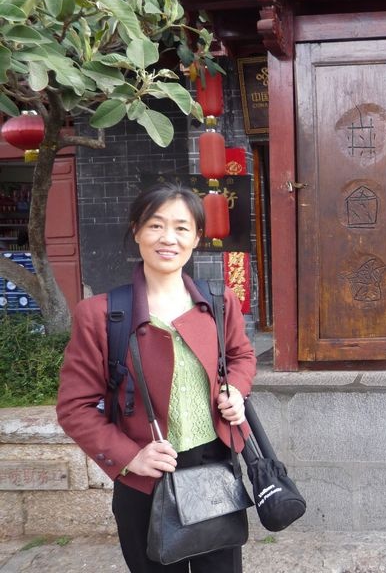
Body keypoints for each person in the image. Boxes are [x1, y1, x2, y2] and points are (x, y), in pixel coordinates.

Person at [56, 182, 256, 573]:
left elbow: (241, 356)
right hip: (146, 479)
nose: (168, 238)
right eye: (156, 225)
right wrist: (130, 457)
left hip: (214, 471)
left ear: (197, 238)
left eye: (182, 228)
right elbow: (74, 407)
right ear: (137, 231)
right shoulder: (101, 314)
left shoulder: (218, 302)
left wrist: (235, 388)